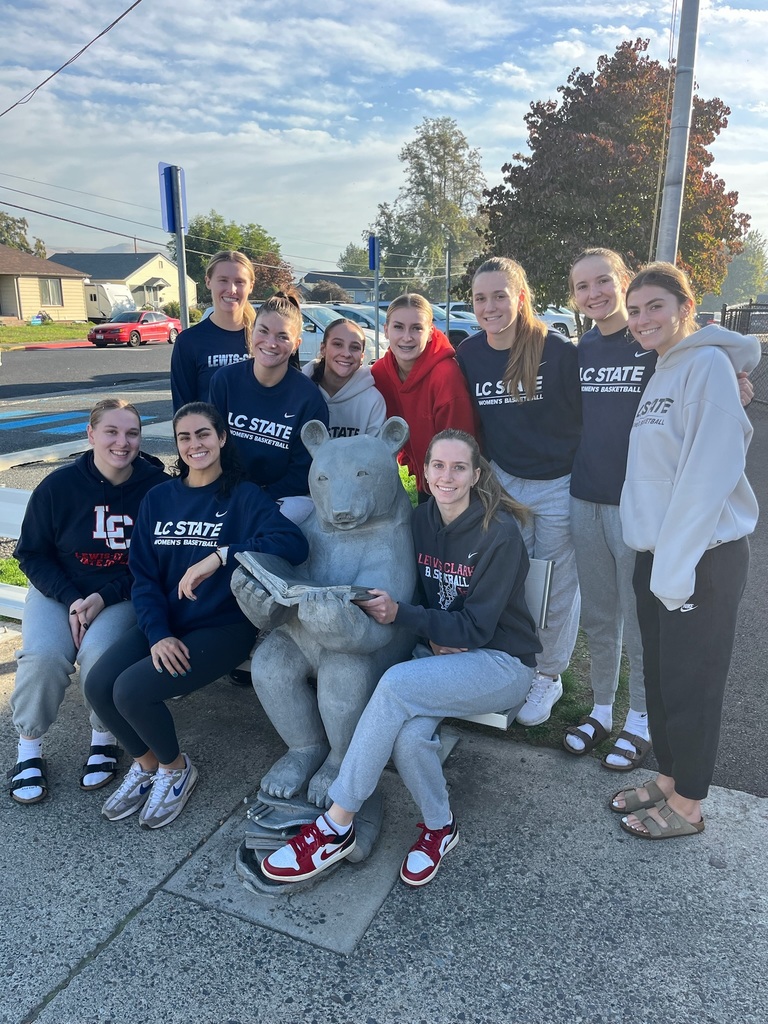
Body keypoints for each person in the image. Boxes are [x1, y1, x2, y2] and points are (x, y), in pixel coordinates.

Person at [259, 429, 541, 887]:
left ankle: (335, 824)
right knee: (409, 740)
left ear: (475, 474)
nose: (447, 476)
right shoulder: (421, 520)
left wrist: (408, 616)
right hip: (440, 656)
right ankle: (439, 828)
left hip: (500, 663)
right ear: (424, 472)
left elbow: (477, 629)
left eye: (458, 467)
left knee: (394, 685)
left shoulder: (499, 533)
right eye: (438, 466)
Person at [84, 402, 309, 829]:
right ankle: (150, 765)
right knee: (97, 684)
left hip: (222, 628)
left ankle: (177, 769)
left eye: (203, 434)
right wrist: (157, 634)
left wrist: (222, 555)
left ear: (221, 438)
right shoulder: (160, 499)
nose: (194, 444)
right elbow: (144, 577)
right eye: (184, 437)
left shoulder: (243, 497)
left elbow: (293, 543)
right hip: (166, 623)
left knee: (131, 690)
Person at [613, 262, 759, 839]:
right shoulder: (664, 368)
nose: (643, 319)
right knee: (663, 679)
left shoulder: (705, 366)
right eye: (636, 310)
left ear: (684, 307)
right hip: (662, 555)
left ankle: (691, 803)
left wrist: (676, 565)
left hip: (702, 556)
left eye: (654, 306)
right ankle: (671, 778)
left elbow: (709, 473)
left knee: (694, 683)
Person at [8, 399, 167, 805]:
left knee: (101, 654)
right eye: (111, 432)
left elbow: (155, 562)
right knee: (43, 657)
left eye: (132, 433)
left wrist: (102, 597)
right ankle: (28, 749)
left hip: (119, 595)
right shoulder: (58, 486)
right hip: (59, 591)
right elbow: (31, 554)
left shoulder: (155, 489)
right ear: (91, 434)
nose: (122, 442)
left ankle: (104, 738)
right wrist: (74, 599)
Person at [457, 256, 581, 727]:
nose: (489, 306)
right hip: (505, 484)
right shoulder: (469, 354)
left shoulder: (558, 351)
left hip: (559, 486)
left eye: (499, 295)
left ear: (521, 297)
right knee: (514, 579)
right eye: (480, 298)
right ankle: (516, 663)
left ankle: (548, 674)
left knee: (557, 585)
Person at [208, 292, 329, 512]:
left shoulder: (308, 398)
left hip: (280, 499)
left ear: (296, 344)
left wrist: (258, 498)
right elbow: (211, 445)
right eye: (263, 331)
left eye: (282, 336)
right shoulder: (224, 381)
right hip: (226, 491)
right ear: (251, 332)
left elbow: (303, 471)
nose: (271, 343)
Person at [371, 294, 477, 497]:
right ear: (386, 330)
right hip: (424, 479)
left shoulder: (445, 375)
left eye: (417, 328)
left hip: (454, 483)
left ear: (430, 332)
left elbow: (462, 446)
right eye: (398, 327)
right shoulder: (379, 373)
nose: (407, 337)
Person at [170, 250, 255, 411]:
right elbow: (183, 411)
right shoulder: (189, 341)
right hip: (210, 435)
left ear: (251, 286)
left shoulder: (264, 338)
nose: (231, 289)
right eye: (223, 280)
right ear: (208, 281)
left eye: (239, 282)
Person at [303, 317, 386, 437]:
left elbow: (377, 452)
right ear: (323, 349)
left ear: (362, 356)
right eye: (338, 344)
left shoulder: (373, 401)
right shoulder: (300, 390)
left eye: (355, 347)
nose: (346, 354)